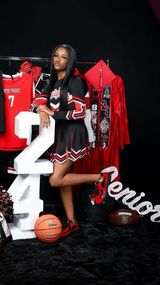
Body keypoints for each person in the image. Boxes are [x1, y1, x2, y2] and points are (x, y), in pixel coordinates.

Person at [30, 44, 110, 237]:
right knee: (64, 181)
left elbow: (80, 112)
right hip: (58, 135)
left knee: (55, 179)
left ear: (70, 61)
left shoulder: (73, 82)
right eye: (56, 55)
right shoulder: (50, 82)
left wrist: (52, 113)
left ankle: (99, 178)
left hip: (73, 134)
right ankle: (72, 221)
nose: (58, 59)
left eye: (64, 57)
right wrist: (41, 108)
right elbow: (36, 101)